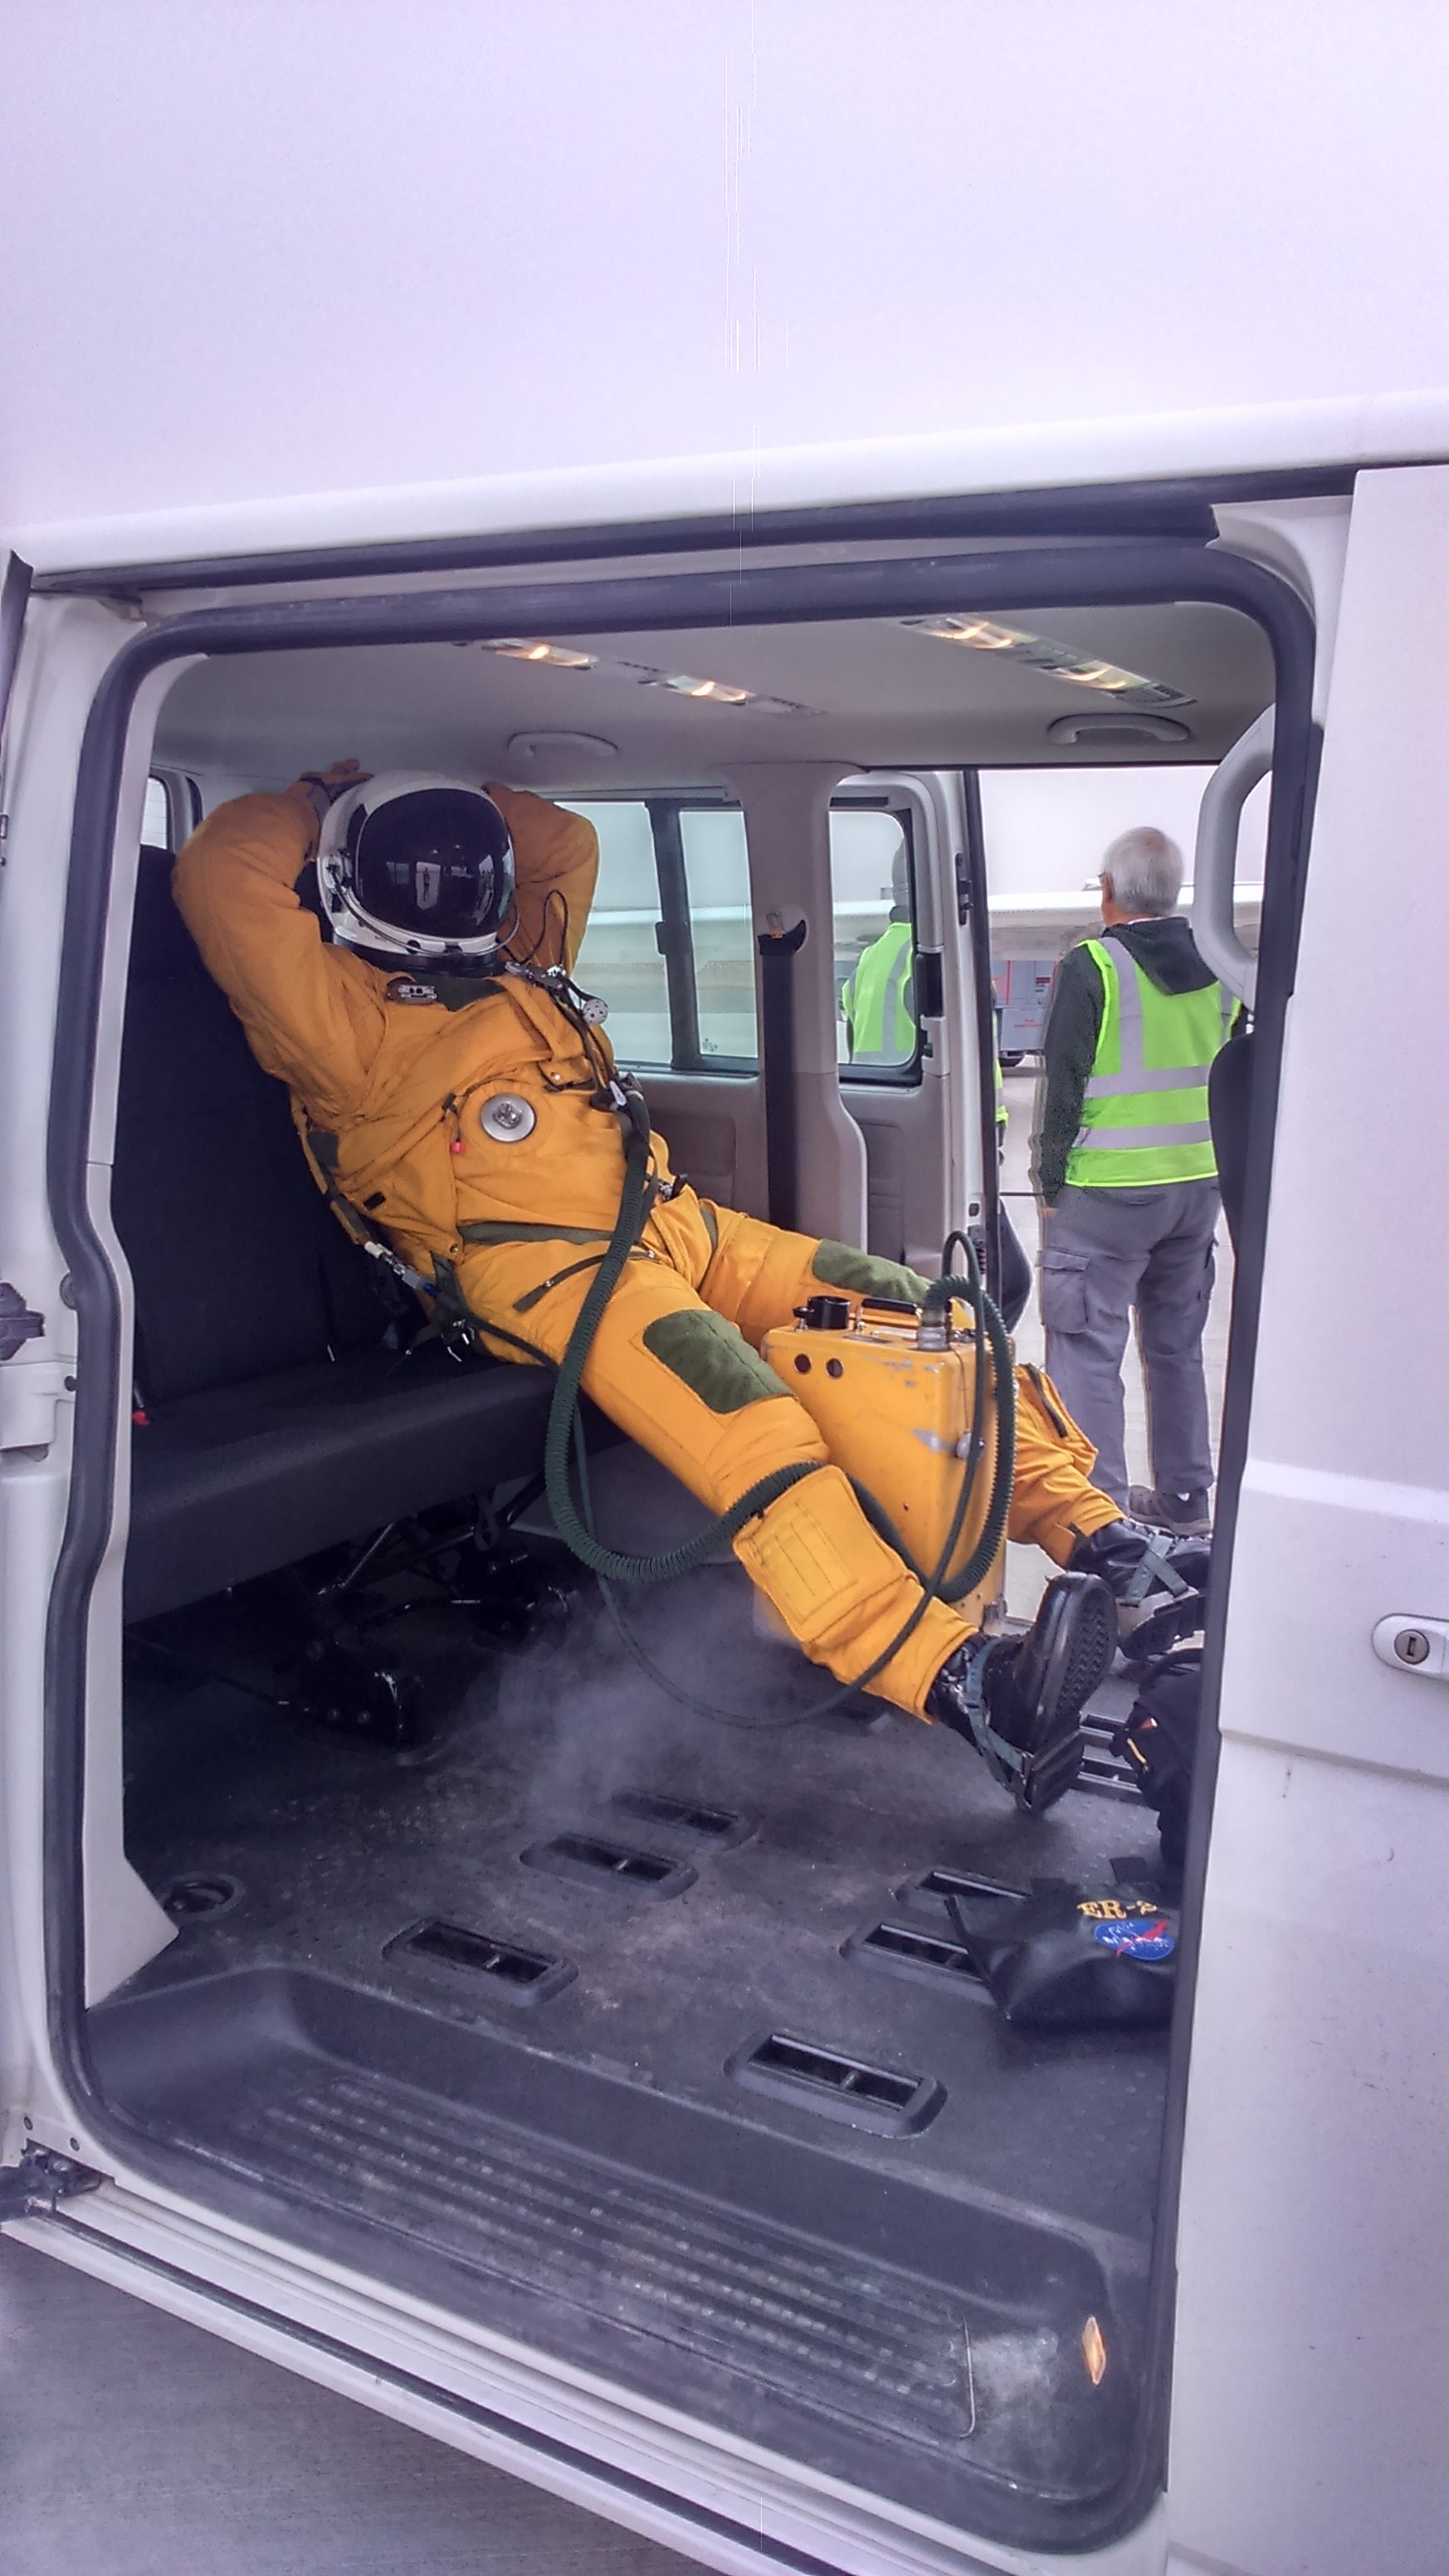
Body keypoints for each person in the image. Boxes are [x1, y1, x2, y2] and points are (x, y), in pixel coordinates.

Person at [173, 765, 1206, 1813]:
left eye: (464, 866)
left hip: (670, 1224)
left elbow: (567, 838)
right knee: (748, 1414)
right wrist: (324, 792)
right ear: (348, 879)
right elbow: (222, 870)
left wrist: (434, 789)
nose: (448, 889)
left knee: (920, 1306)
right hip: (539, 1268)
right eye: (416, 870)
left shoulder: (518, 964)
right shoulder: (336, 1018)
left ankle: (1108, 1541)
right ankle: (960, 1678)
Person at [1032, 827, 1236, 1536]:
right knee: (1175, 1346)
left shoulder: (1094, 966)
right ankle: (1185, 1501)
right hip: (1195, 1188)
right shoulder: (1222, 965)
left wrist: (1048, 1187)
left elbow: (1062, 1087)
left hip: (1107, 1194)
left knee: (1088, 1347)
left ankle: (1101, 1518)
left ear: (1110, 889)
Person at [842, 856, 1031, 1327]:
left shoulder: (871, 958)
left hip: (884, 1129)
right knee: (1009, 1282)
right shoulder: (940, 958)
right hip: (952, 1141)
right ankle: (982, 1369)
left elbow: (856, 1034)